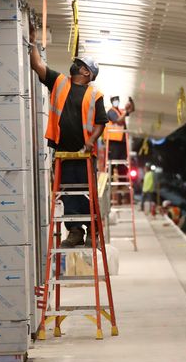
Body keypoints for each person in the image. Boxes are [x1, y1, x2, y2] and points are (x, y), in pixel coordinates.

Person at [29, 26, 108, 248]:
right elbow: (37, 65)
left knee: (86, 192)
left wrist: (90, 142)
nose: (76, 65)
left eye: (80, 64)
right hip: (63, 153)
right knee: (67, 192)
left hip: (84, 155)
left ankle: (92, 229)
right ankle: (75, 231)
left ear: (87, 73)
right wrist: (32, 42)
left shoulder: (95, 94)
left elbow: (101, 123)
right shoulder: (59, 82)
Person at [105, 96, 135, 203]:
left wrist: (131, 103)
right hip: (114, 142)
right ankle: (110, 182)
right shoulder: (111, 112)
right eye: (114, 100)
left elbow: (131, 110)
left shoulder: (120, 111)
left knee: (122, 164)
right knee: (112, 164)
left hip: (121, 141)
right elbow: (118, 121)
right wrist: (125, 111)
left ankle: (122, 184)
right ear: (112, 102)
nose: (116, 102)